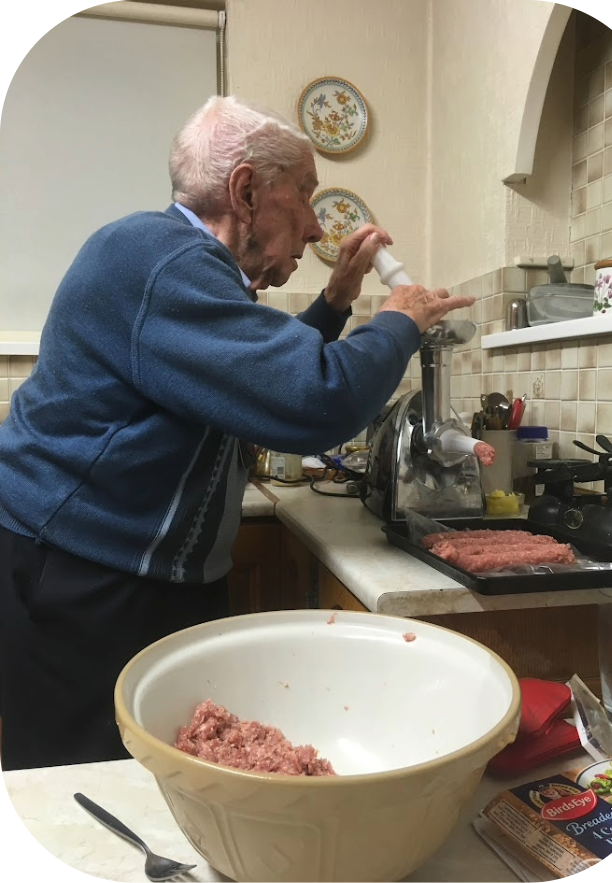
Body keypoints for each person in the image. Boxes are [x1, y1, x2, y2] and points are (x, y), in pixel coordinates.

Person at [0, 95, 475, 770]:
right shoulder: (161, 261)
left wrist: (336, 302)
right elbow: (310, 400)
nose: (314, 226)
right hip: (83, 574)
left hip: (123, 568)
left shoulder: (178, 265)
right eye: (304, 195)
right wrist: (399, 319)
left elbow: (249, 384)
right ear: (246, 192)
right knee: (87, 779)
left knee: (163, 766)